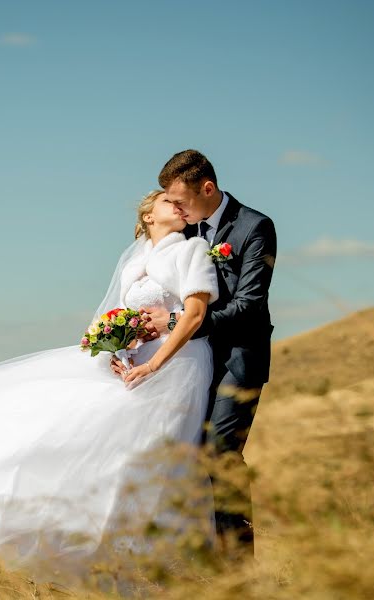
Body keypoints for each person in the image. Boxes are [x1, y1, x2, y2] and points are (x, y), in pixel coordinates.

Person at [0, 190, 220, 590]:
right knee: (72, 435)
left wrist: (155, 358)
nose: (180, 205)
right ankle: (90, 548)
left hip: (178, 364)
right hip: (138, 364)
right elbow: (119, 317)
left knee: (149, 460)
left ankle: (162, 567)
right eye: (170, 201)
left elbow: (196, 315)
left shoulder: (193, 248)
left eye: (183, 202)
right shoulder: (135, 260)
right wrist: (119, 353)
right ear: (149, 215)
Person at [114, 150, 276, 560]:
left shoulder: (254, 227)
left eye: (181, 200)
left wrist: (173, 322)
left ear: (207, 188)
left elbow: (249, 305)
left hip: (236, 357)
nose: (176, 208)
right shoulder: (182, 234)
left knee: (220, 453)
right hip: (185, 361)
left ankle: (238, 568)